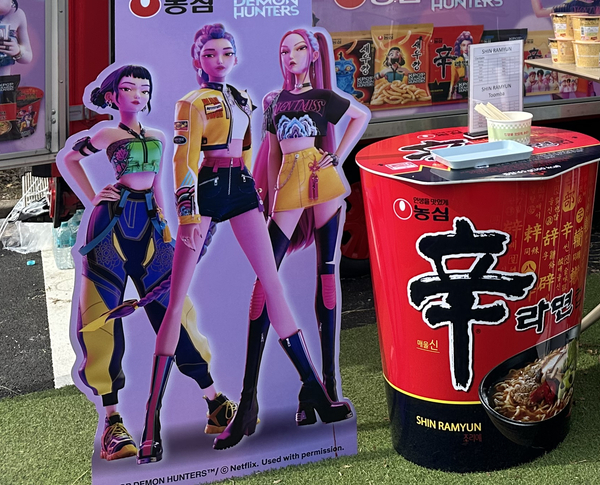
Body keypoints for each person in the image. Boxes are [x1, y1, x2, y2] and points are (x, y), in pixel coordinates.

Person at [138, 23, 349, 465]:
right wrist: (190, 213)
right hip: (208, 190)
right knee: (175, 302)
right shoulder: (191, 103)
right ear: (198, 59)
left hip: (244, 193)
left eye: (226, 52)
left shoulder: (244, 99)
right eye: (210, 53)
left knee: (272, 285)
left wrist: (261, 195)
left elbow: (252, 155)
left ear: (235, 57)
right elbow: (184, 160)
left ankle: (312, 386)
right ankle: (150, 423)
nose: (219, 59)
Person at [57, 65, 231, 461]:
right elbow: (68, 159)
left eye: (143, 88)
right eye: (128, 88)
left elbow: (158, 185)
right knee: (100, 315)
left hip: (152, 228)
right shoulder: (105, 134)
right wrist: (91, 199)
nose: (137, 94)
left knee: (175, 310)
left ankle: (215, 402)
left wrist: (168, 228)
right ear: (114, 96)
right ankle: (113, 422)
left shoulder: (158, 136)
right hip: (109, 228)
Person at [216, 29, 368, 448]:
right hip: (289, 185)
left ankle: (328, 384)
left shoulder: (321, 98)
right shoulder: (272, 101)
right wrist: (263, 196)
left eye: (299, 48)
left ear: (312, 54)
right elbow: (270, 152)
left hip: (323, 179)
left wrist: (339, 155)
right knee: (265, 281)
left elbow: (359, 117)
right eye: (285, 49)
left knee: (328, 273)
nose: (292, 55)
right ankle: (250, 401)